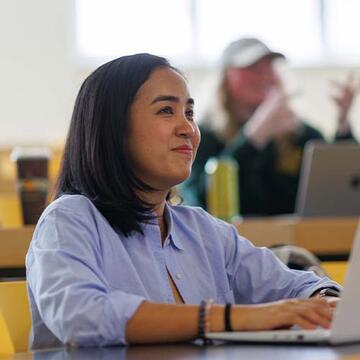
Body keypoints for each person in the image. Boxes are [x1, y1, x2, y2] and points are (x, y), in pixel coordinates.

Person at [26, 53, 341, 349]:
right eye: (166, 111)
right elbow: (82, 317)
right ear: (112, 128)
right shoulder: (68, 219)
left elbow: (292, 286)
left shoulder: (203, 230)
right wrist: (233, 317)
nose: (188, 129)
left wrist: (327, 301)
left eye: (189, 113)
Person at [181, 38, 358, 215]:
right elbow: (198, 198)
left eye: (269, 67)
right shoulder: (202, 136)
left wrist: (343, 126)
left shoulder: (298, 134)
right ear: (226, 77)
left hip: (298, 239)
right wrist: (253, 138)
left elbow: (335, 185)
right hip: (232, 240)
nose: (264, 75)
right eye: (252, 68)